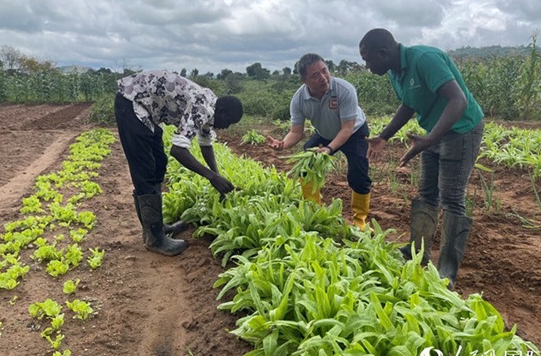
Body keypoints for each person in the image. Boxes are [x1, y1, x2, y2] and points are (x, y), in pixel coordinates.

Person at [359, 28, 484, 289]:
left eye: (368, 59)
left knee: (451, 198)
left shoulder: (424, 59)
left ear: (383, 52)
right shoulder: (396, 73)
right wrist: (384, 136)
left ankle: (447, 273)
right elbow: (409, 104)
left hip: (462, 130)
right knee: (427, 193)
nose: (367, 66)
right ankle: (418, 252)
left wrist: (430, 140)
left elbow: (458, 100)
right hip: (433, 133)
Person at [114, 70, 243, 256]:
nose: (227, 127)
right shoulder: (203, 107)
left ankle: (156, 227)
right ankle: (154, 239)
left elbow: (206, 144)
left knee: (159, 163)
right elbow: (178, 151)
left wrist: (217, 177)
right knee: (145, 169)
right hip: (132, 102)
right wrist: (211, 177)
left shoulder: (211, 107)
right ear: (221, 111)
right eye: (228, 121)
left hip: (146, 111)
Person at [267, 53, 372, 231]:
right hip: (324, 133)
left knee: (358, 172)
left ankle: (359, 222)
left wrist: (329, 149)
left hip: (354, 132)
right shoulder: (299, 100)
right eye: (315, 75)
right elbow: (296, 132)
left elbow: (346, 129)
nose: (323, 78)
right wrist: (282, 144)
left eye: (325, 71)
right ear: (304, 80)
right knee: (307, 165)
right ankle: (314, 211)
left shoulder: (345, 90)